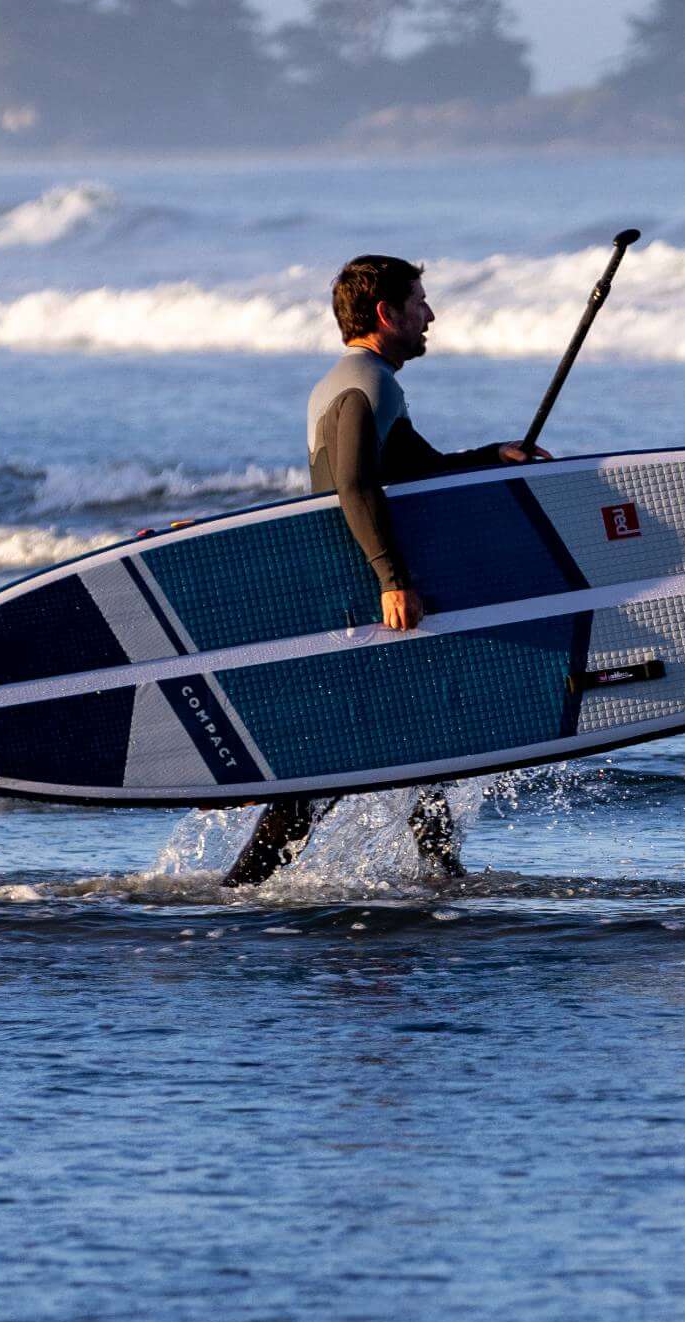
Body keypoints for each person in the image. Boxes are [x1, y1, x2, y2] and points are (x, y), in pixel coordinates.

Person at [224, 254, 539, 887]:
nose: (430, 315)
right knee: (354, 753)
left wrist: (491, 455)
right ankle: (248, 887)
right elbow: (354, 483)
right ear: (384, 313)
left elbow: (415, 468)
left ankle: (439, 870)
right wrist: (392, 578)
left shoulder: (357, 378)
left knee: (410, 740)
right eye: (420, 302)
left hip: (348, 588)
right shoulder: (369, 383)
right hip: (361, 591)